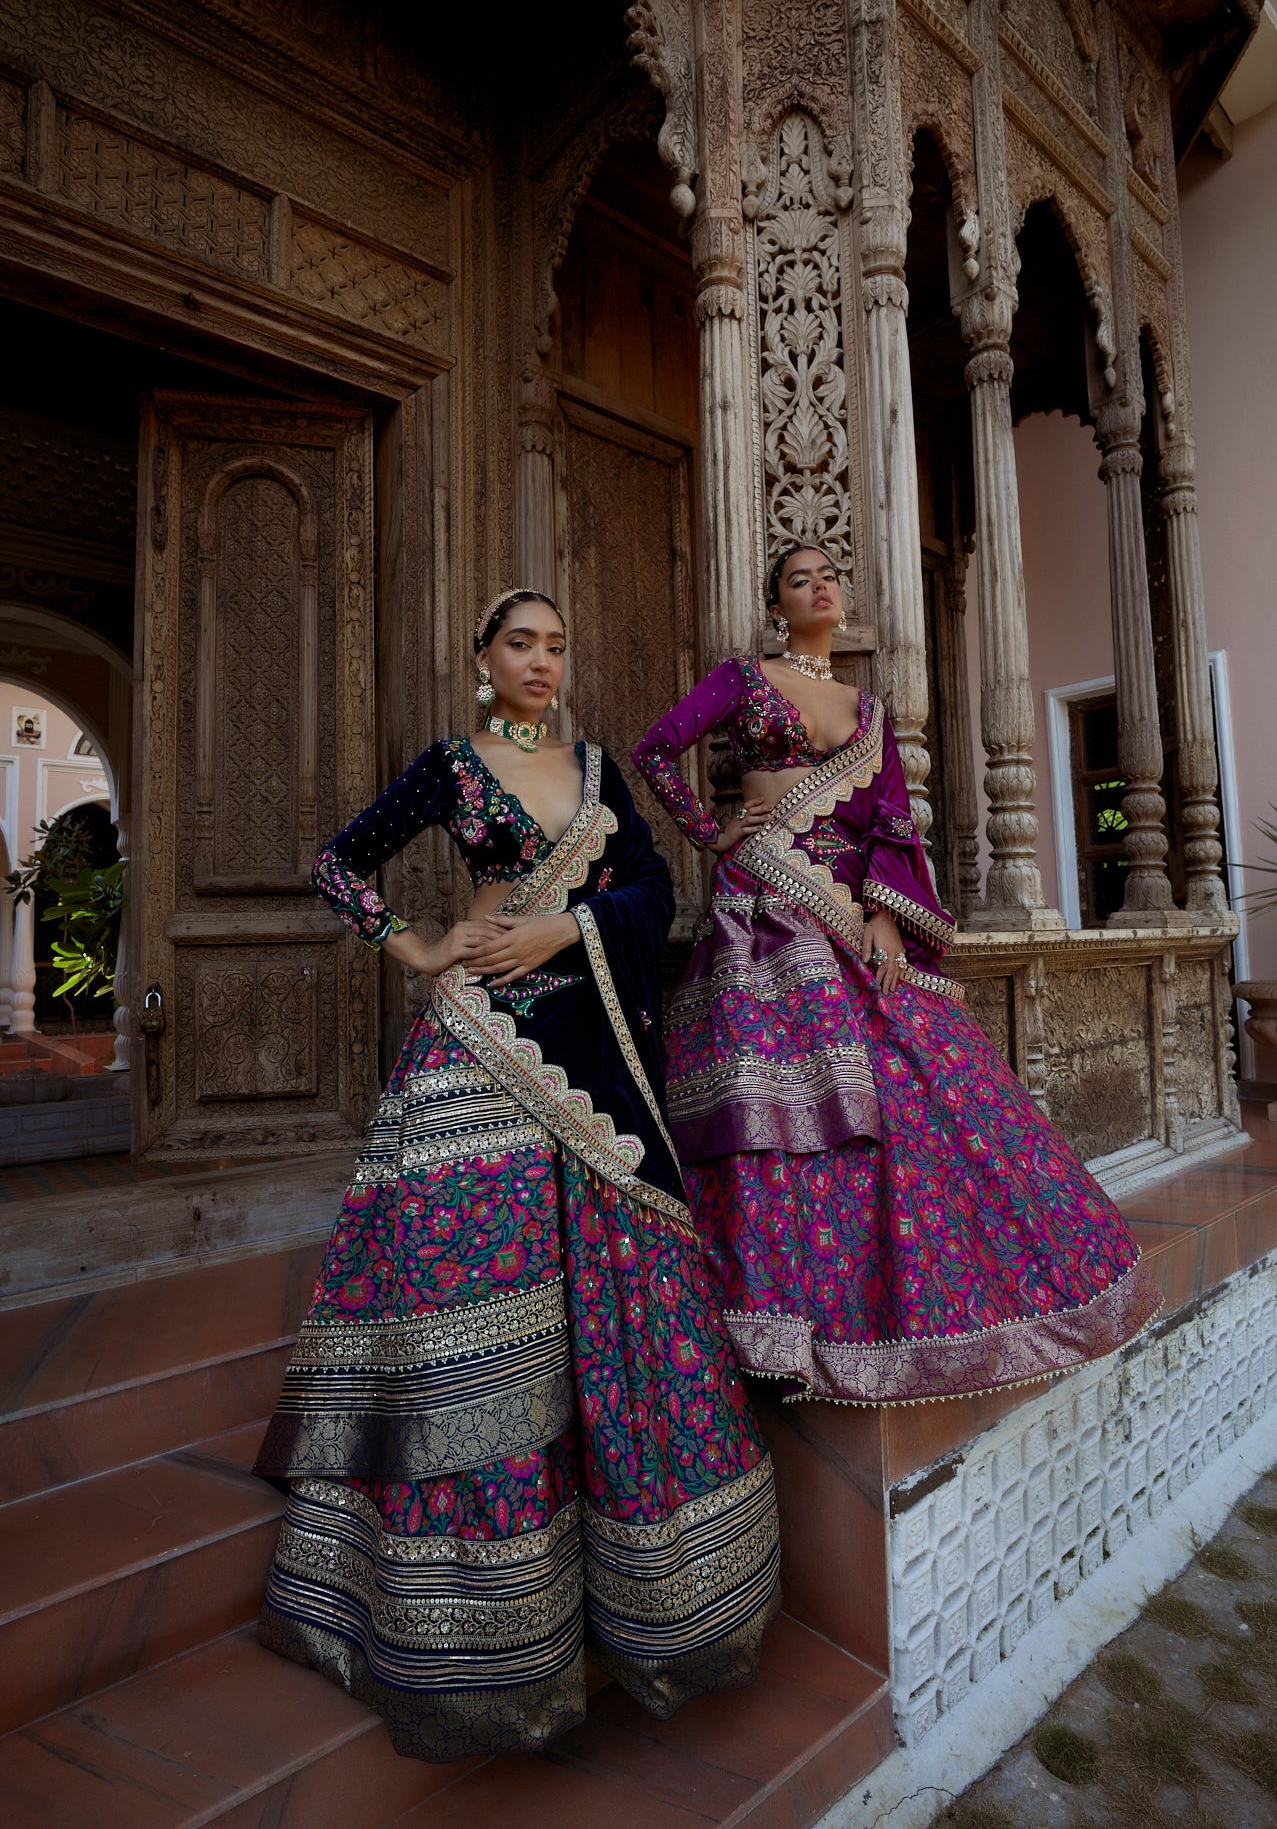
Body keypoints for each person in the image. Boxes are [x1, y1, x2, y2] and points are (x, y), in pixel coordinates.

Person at [255, 590, 780, 1762]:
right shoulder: (452, 766)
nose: (541, 660)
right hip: (478, 1044)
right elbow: (338, 864)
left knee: (615, 1299)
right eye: (519, 643)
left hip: (589, 1050)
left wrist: (565, 930)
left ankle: (641, 1602)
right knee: (468, 1295)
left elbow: (652, 889)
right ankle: (474, 1620)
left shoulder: (595, 773)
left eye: (555, 644)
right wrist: (417, 945)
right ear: (483, 659)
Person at [632, 546, 1162, 1407]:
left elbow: (888, 820)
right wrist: (710, 828)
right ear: (776, 605)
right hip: (763, 906)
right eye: (798, 579)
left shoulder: (868, 709)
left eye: (827, 576)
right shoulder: (742, 679)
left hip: (848, 908)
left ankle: (931, 1297)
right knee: (775, 1101)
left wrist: (883, 915)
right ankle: (768, 1317)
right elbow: (655, 749)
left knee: (920, 1083)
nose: (818, 586)